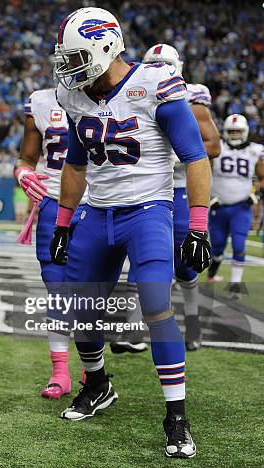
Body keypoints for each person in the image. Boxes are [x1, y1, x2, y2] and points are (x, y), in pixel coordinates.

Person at [51, 7, 212, 458]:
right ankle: (99, 383)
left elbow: (196, 156)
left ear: (107, 46)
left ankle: (176, 416)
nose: (70, 68)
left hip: (147, 211)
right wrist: (63, 222)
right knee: (75, 306)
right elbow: (76, 162)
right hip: (97, 211)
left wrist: (197, 226)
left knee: (157, 306)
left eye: (78, 56)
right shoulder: (74, 95)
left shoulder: (156, 83)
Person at [111, 43, 221, 352]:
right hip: (146, 189)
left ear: (178, 66)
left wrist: (180, 148)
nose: (160, 68)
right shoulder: (132, 87)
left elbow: (213, 146)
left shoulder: (190, 95)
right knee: (141, 255)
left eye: (165, 63)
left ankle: (194, 320)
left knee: (185, 262)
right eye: (154, 63)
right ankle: (132, 330)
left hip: (180, 188)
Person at [15, 88, 86, 399]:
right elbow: (26, 158)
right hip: (52, 201)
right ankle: (60, 372)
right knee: (57, 289)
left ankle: (90, 369)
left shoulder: (112, 96)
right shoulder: (42, 101)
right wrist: (22, 174)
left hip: (95, 203)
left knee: (89, 289)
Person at [207, 114, 264, 297]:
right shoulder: (218, 147)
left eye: (238, 131)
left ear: (245, 131)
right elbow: (204, 173)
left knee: (239, 244)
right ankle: (213, 271)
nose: (234, 134)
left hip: (241, 207)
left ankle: (236, 284)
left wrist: (255, 195)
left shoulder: (255, 150)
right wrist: (208, 197)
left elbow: (262, 177)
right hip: (218, 206)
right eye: (231, 131)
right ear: (225, 131)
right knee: (216, 248)